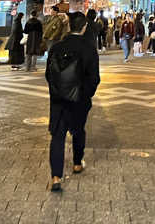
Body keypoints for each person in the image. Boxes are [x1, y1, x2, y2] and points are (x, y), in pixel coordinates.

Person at [45, 12, 100, 192]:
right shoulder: (89, 48)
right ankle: (77, 163)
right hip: (79, 99)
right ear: (84, 28)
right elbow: (94, 78)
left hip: (58, 100)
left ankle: (55, 176)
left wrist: (56, 92)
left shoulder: (56, 47)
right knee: (78, 131)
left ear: (69, 27)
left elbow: (49, 74)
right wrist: (86, 94)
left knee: (57, 136)